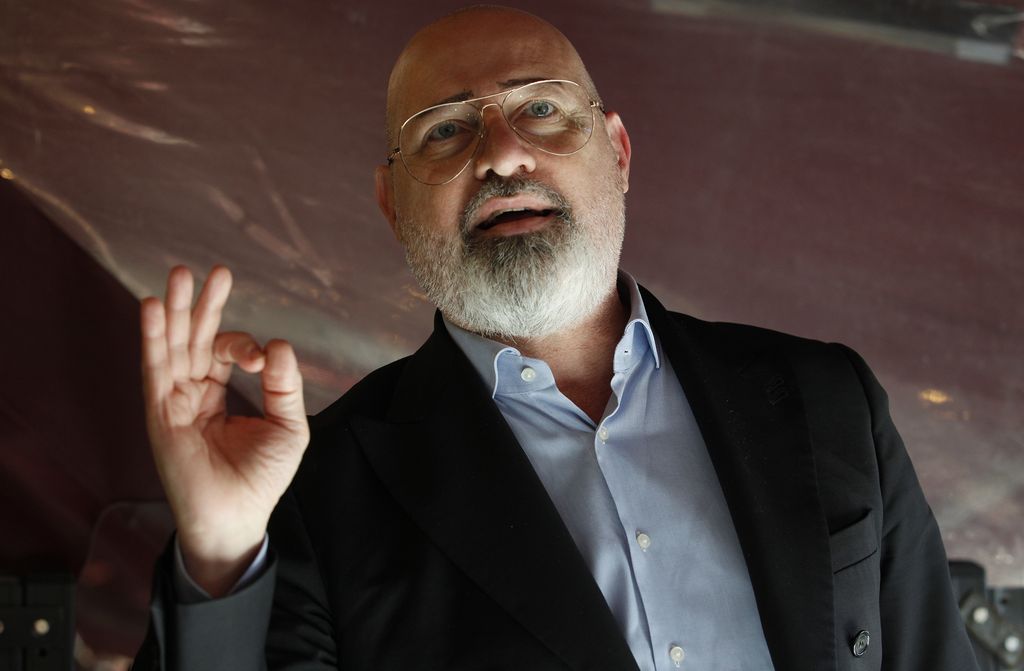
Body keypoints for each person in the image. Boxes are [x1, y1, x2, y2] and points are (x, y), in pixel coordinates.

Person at [133, 6, 978, 671]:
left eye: (540, 108)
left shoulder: (828, 400)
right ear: (393, 205)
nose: (503, 155)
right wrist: (219, 557)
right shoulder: (316, 495)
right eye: (445, 130)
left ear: (618, 152)